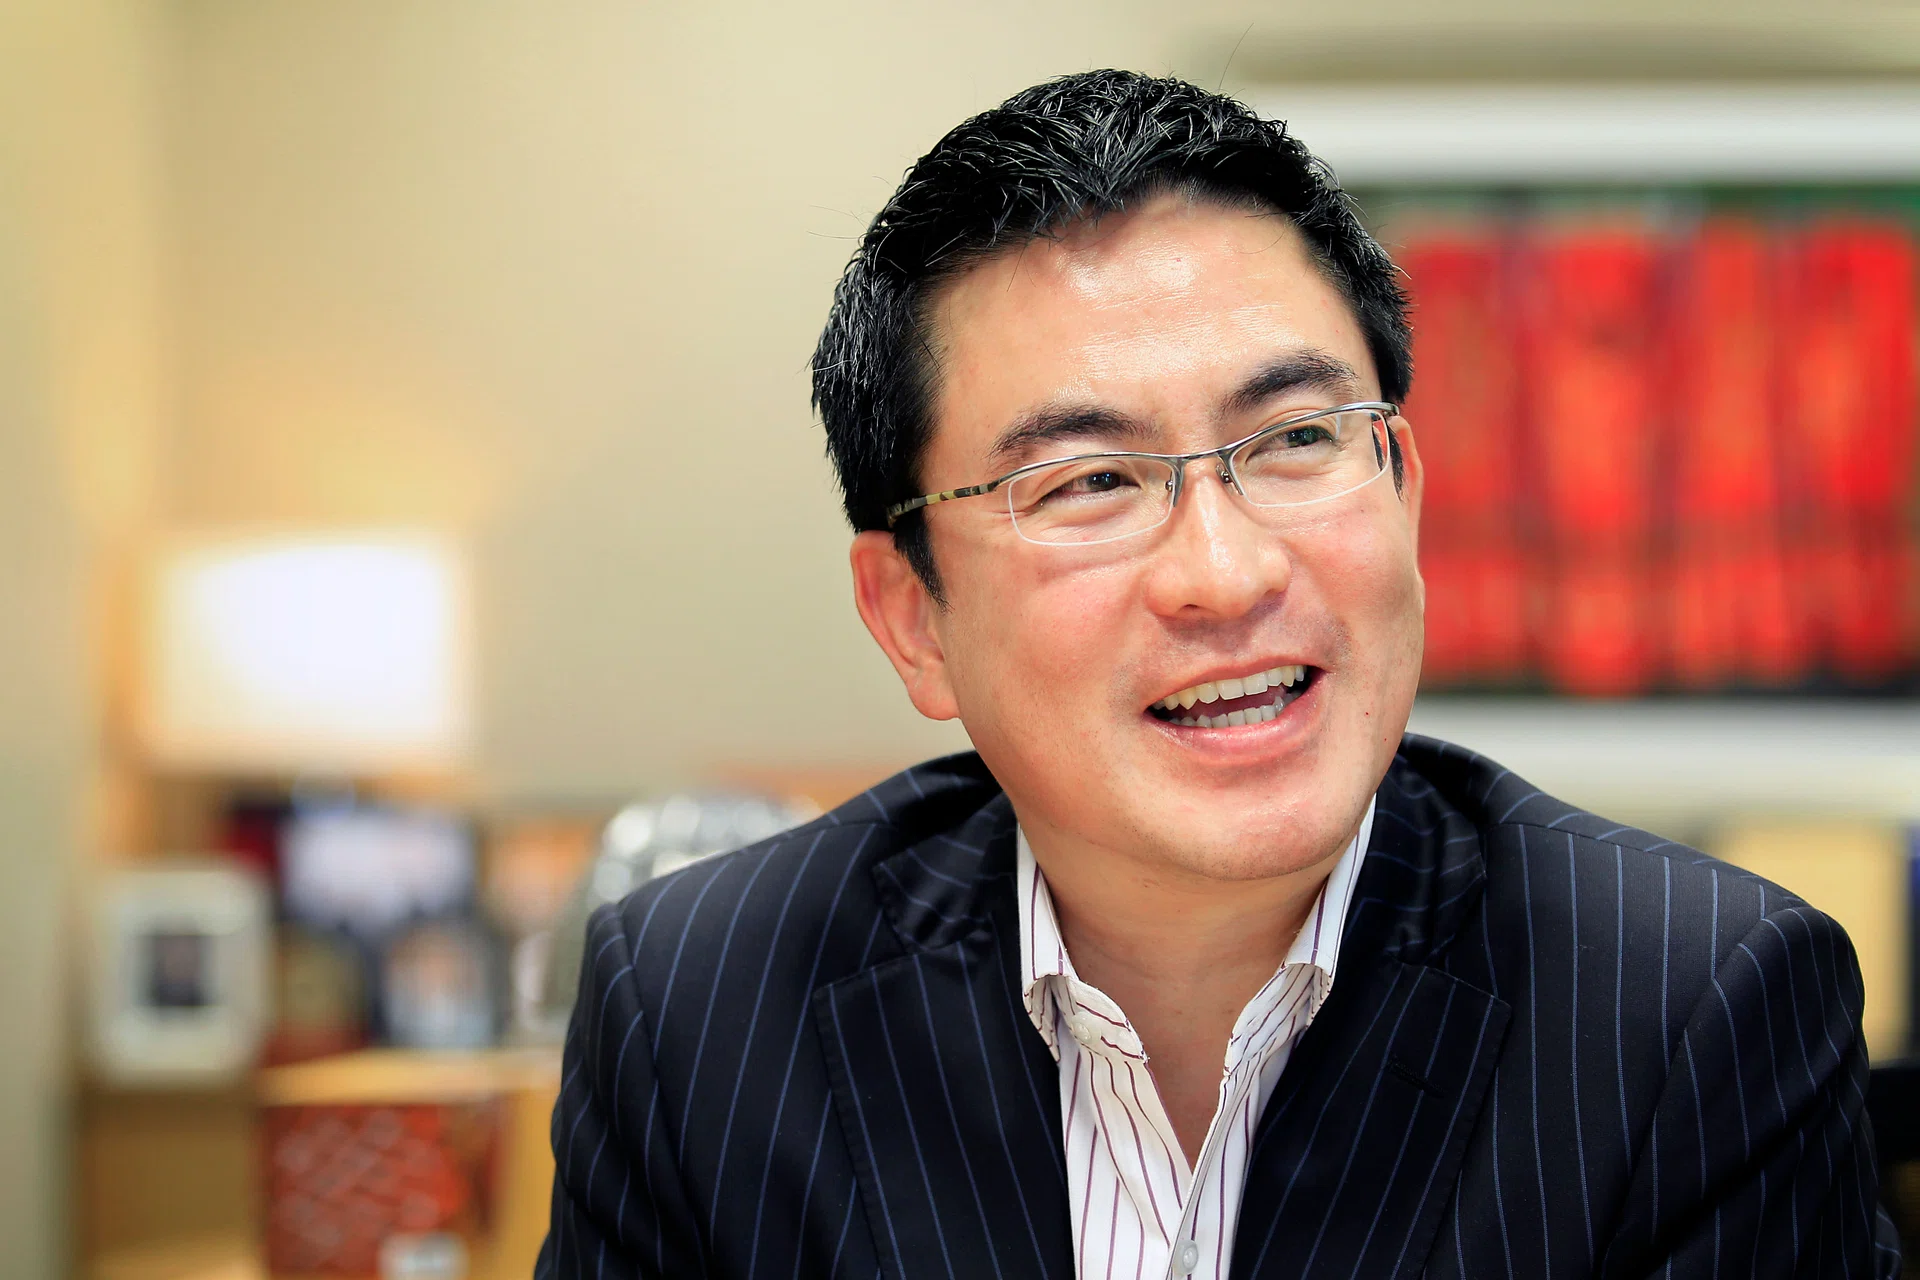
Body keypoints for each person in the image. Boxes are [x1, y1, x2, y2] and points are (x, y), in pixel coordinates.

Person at [538, 70, 1898, 1278]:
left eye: (1298, 438)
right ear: (912, 618)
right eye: (1089, 481)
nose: (1227, 573)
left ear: (1406, 492)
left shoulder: (1694, 1008)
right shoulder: (700, 1011)